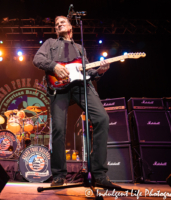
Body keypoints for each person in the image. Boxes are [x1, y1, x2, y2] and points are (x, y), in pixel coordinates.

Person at [33, 16, 120, 188]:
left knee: (102, 119)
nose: (58, 25)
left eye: (62, 22)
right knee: (58, 128)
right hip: (59, 88)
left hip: (81, 86)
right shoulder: (50, 43)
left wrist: (100, 71)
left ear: (71, 26)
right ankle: (58, 176)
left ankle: (99, 174)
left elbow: (88, 72)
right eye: (56, 24)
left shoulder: (80, 48)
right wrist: (54, 66)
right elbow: (37, 59)